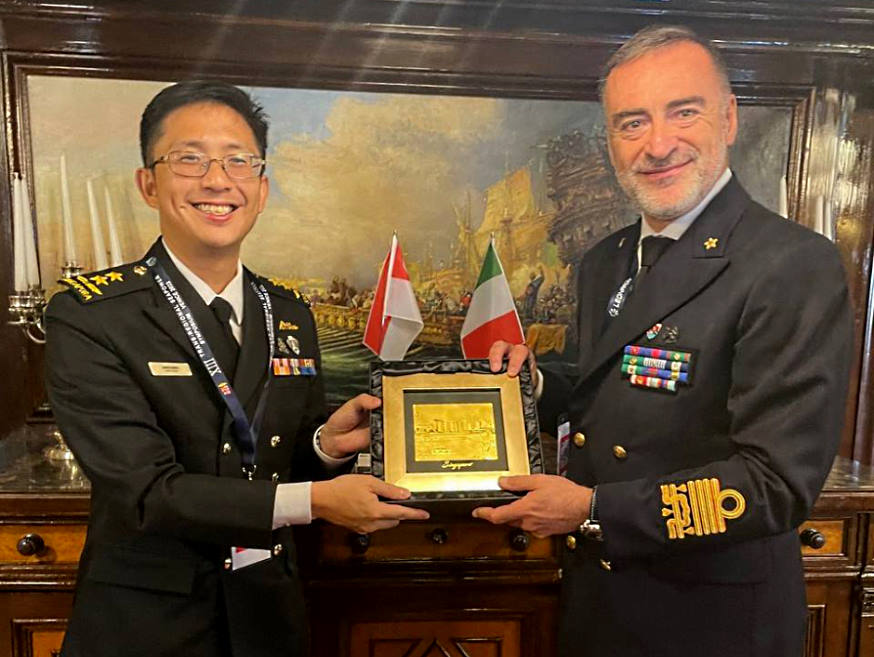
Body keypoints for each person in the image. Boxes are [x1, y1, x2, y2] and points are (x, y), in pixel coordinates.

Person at [476, 25, 852, 657]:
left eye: (684, 112)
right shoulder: (605, 260)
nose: (658, 144)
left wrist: (594, 509)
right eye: (631, 123)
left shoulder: (790, 265)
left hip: (712, 623)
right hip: (601, 607)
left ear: (728, 119)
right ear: (611, 142)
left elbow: (774, 486)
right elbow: (612, 389)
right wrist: (535, 382)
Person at [45, 81, 428, 657]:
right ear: (148, 184)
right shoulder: (92, 314)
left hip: (267, 610)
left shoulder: (290, 311)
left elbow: (279, 455)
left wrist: (325, 444)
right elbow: (147, 492)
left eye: (238, 161)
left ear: (262, 186)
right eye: (190, 159)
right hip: (149, 621)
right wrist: (316, 502)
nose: (217, 180)